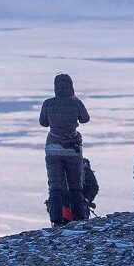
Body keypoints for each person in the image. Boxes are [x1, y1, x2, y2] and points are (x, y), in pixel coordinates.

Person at [39, 72, 90, 225]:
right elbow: (85, 119)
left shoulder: (48, 103)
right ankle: (78, 218)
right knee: (75, 185)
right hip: (72, 149)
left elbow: (43, 123)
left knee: (55, 186)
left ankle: (56, 219)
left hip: (53, 147)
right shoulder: (76, 103)